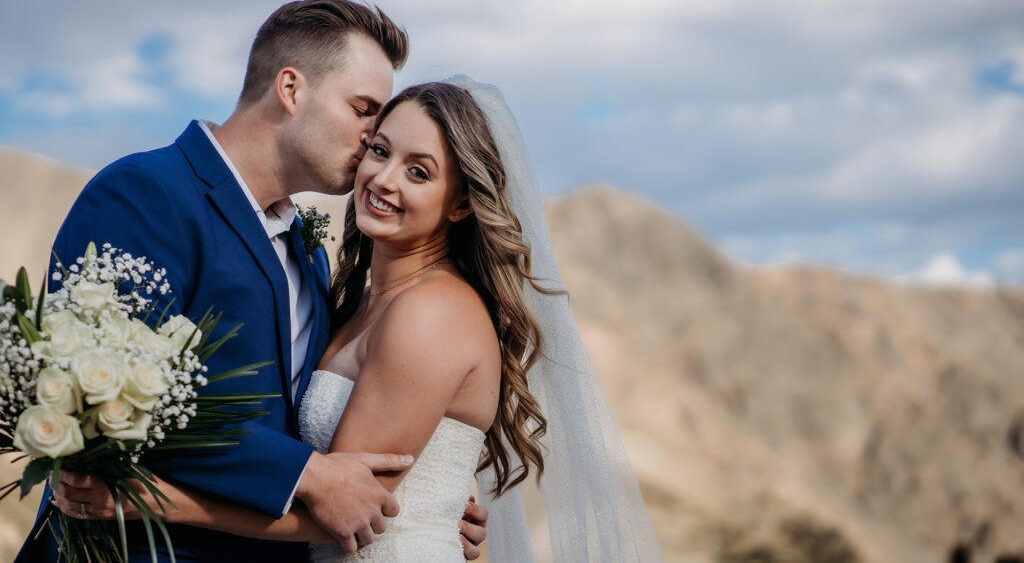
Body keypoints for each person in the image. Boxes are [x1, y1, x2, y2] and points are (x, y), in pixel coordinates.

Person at [56, 78, 665, 561]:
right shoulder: (350, 299)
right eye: (380, 150)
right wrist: (439, 503)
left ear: (459, 204)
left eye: (418, 171)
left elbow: (343, 514)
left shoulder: (432, 312)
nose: (382, 178)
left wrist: (142, 500)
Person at [19, 0, 487, 562]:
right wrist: (310, 475)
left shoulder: (309, 256)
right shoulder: (146, 195)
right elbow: (108, 404)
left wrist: (423, 503)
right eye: (363, 109)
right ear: (291, 90)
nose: (371, 138)